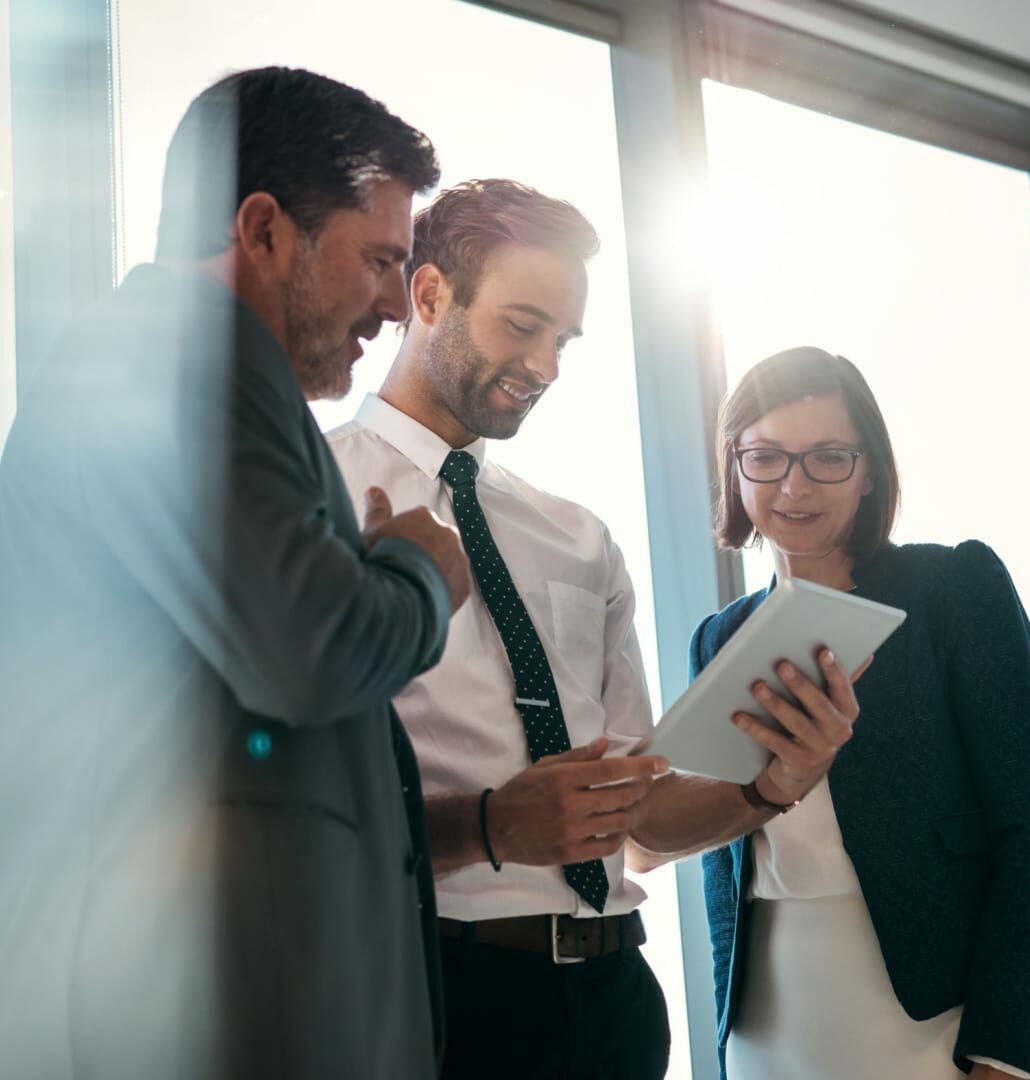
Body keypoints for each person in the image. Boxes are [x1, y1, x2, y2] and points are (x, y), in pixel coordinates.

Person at [328, 180, 859, 1079]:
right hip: (438, 991)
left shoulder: (578, 538)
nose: (546, 366)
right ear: (428, 297)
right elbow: (289, 803)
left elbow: (640, 811)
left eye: (564, 340)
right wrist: (491, 825)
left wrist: (771, 788)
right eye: (522, 324)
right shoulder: (315, 495)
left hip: (616, 1000)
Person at [0, 67, 471, 1080]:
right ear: (263, 228)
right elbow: (313, 647)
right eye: (381, 259)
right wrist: (417, 570)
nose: (397, 305)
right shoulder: (170, 357)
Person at [692, 346, 1030, 1080]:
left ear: (868, 471)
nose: (795, 485)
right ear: (734, 468)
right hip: (767, 1021)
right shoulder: (718, 638)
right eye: (766, 456)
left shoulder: (952, 589)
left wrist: (1007, 1054)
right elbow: (723, 867)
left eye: (828, 456)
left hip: (932, 1020)